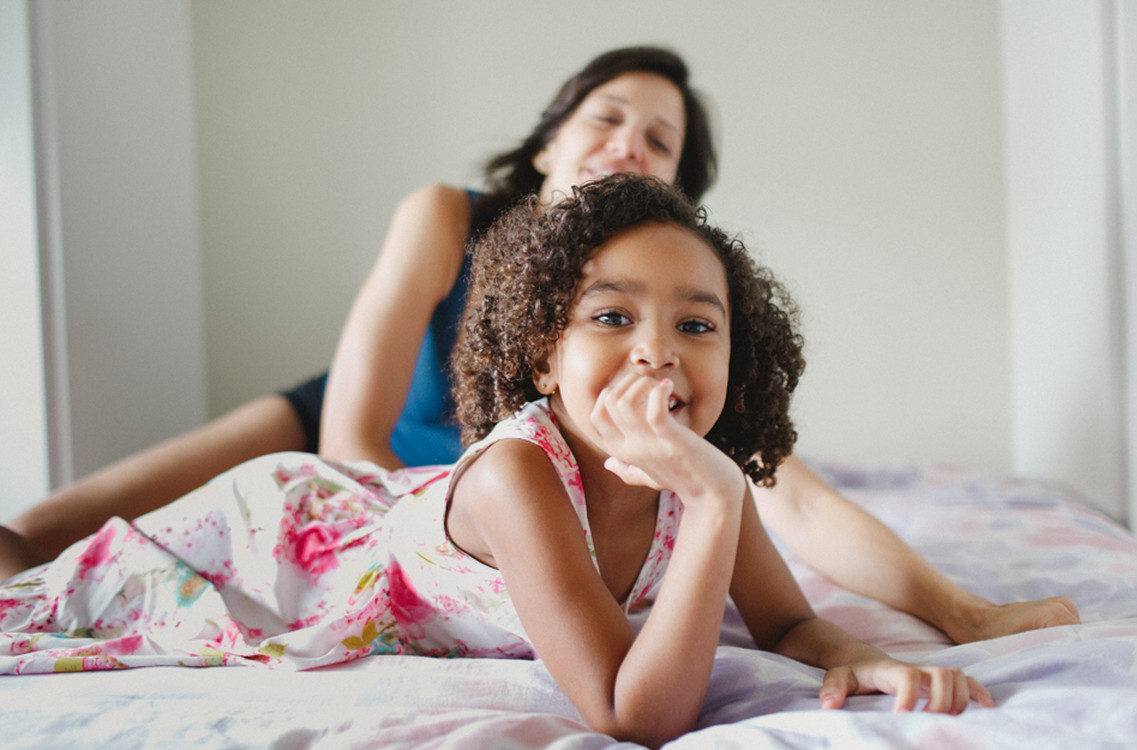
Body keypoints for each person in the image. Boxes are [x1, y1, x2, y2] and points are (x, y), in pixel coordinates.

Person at [2, 46, 1076, 642]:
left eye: (660, 141)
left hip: (504, 491)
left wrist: (961, 613)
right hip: (359, 451)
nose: (629, 144)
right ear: (551, 141)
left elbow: (783, 496)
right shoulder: (445, 216)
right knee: (38, 535)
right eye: (607, 118)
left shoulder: (653, 340)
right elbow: (347, 443)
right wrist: (466, 539)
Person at [0, 176, 994, 746]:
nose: (657, 351)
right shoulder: (523, 474)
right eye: (612, 317)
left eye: (697, 324)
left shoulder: (698, 471)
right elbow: (630, 714)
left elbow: (785, 621)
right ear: (543, 357)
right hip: (292, 543)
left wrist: (860, 657)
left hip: (379, 517)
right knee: (45, 595)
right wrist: (717, 501)